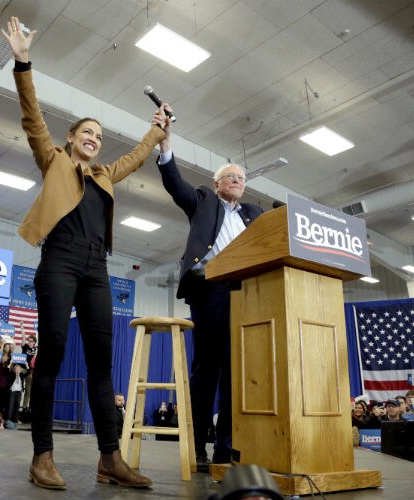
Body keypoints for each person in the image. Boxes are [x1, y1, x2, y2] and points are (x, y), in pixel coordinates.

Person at [1, 15, 166, 490]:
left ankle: (110, 459)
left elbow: (135, 156)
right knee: (51, 352)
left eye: (98, 135)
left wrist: (157, 131)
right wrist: (23, 63)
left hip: (97, 266)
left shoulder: (103, 176)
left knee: (100, 362)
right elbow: (32, 115)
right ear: (72, 138)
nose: (93, 138)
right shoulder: (53, 160)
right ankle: (42, 456)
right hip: (59, 260)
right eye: (86, 132)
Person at [155, 104, 263, 467]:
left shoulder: (254, 214)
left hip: (248, 297)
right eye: (231, 176)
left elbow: (279, 237)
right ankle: (198, 446)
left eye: (242, 178)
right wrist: (165, 142)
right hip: (211, 290)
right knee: (207, 372)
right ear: (217, 184)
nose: (238, 180)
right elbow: (174, 183)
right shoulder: (203, 200)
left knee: (236, 374)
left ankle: (226, 447)